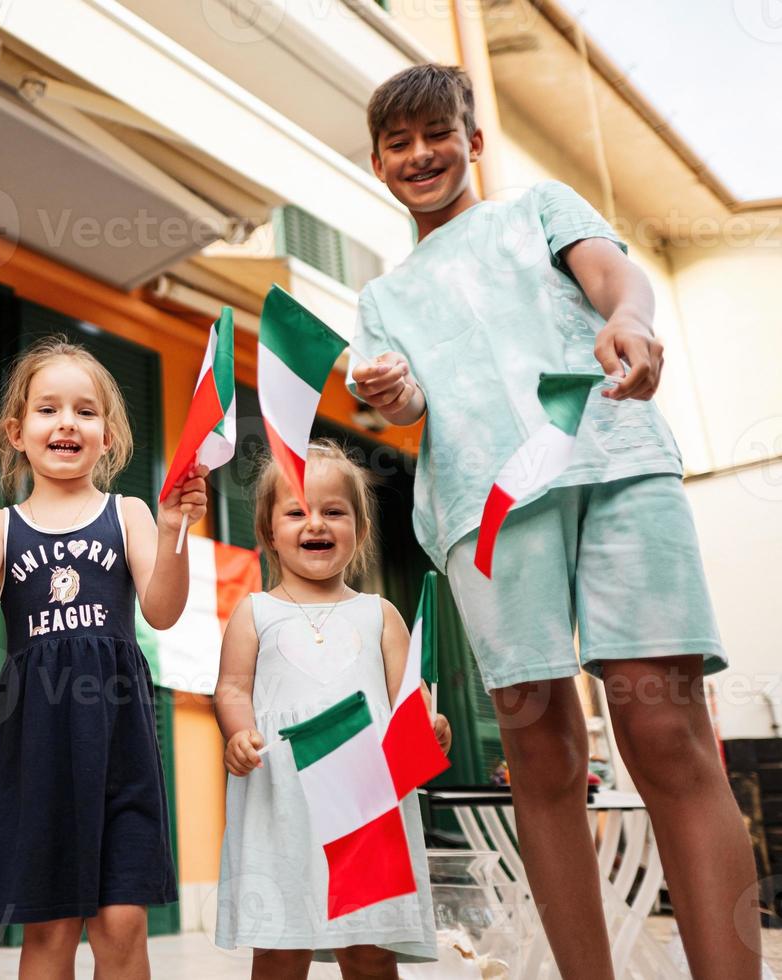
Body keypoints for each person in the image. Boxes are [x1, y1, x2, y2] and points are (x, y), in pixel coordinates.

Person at [351, 64, 758, 977]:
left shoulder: (538, 209)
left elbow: (618, 279)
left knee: (665, 731)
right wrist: (389, 390)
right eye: (399, 142)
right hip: (485, 510)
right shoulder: (382, 299)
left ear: (473, 140)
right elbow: (409, 401)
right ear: (377, 163)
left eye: (437, 134)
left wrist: (632, 323)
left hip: (612, 459)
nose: (421, 154)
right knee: (540, 755)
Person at [0, 336, 207, 979]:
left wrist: (174, 533)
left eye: (86, 412)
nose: (67, 423)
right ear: (16, 432)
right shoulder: (1, 525)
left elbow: (164, 610)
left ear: (107, 436)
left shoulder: (129, 513)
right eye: (48, 409)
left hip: (119, 744)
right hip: (37, 747)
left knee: (122, 923)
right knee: (51, 927)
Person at [215, 444, 450, 978]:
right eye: (296, 511)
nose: (314, 523)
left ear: (360, 531)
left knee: (369, 946)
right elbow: (231, 687)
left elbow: (410, 699)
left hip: (365, 804)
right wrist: (238, 733)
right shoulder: (255, 612)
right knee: (279, 944)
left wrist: (432, 725)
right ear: (269, 532)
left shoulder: (379, 614)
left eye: (333, 511)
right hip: (281, 799)